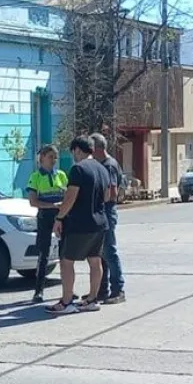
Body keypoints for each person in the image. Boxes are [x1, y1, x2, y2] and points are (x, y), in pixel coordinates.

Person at [46, 135, 110, 315]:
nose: (73, 155)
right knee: (95, 260)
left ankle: (67, 302)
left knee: (67, 261)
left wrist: (59, 218)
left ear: (77, 150)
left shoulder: (78, 169)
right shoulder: (102, 168)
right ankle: (92, 299)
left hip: (80, 223)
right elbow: (106, 196)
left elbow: (71, 197)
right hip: (100, 222)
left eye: (73, 151)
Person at [25, 145, 68, 303]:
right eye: (51, 157)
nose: (54, 160)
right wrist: (52, 205)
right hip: (45, 217)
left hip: (61, 216)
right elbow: (33, 201)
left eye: (55, 157)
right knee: (43, 254)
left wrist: (61, 206)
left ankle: (67, 290)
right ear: (42, 158)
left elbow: (68, 195)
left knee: (65, 254)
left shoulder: (62, 175)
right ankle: (38, 291)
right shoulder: (35, 177)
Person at [90, 133, 126, 304]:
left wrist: (95, 201)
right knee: (101, 252)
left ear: (97, 148)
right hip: (103, 211)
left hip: (107, 211)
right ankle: (102, 290)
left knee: (109, 251)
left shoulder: (109, 165)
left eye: (91, 148)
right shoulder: (102, 164)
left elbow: (112, 193)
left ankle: (118, 289)